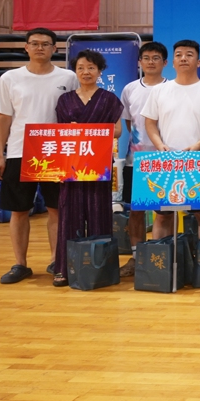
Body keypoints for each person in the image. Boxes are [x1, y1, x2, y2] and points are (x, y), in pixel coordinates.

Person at [0, 27, 76, 284]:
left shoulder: (69, 77)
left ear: (55, 48)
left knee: (56, 210)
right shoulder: (10, 78)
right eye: (35, 43)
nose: (40, 47)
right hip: (20, 151)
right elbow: (4, 118)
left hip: (56, 153)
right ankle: (20, 264)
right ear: (26, 47)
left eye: (45, 44)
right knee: (19, 211)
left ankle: (56, 261)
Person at [53, 50, 124, 287]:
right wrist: (73, 130)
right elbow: (60, 133)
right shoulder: (64, 100)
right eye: (81, 68)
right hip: (71, 164)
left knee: (99, 213)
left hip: (98, 164)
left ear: (100, 71)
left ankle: (101, 269)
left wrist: (90, 129)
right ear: (75, 71)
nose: (86, 72)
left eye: (91, 67)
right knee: (68, 215)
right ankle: (65, 268)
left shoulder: (109, 99)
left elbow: (117, 131)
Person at [142, 39, 200, 239]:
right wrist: (159, 144)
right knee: (163, 216)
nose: (183, 58)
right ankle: (161, 257)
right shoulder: (159, 90)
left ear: (198, 62)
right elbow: (150, 122)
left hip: (199, 160)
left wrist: (198, 145)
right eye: (178, 55)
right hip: (166, 161)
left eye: (189, 55)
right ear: (172, 62)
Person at [117, 41, 167, 276]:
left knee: (164, 211)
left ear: (165, 62)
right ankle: (137, 258)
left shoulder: (172, 88)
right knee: (135, 212)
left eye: (156, 58)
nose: (150, 62)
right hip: (135, 161)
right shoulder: (129, 89)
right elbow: (130, 123)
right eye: (146, 58)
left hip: (165, 161)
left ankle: (160, 256)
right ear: (139, 62)